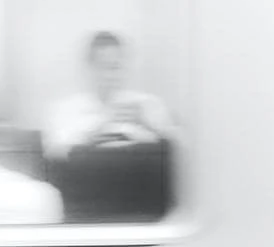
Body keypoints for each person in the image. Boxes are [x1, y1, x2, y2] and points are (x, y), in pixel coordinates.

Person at [45, 31, 177, 161]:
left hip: (139, 177)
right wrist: (99, 127)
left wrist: (147, 124)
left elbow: (180, 151)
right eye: (102, 67)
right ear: (89, 68)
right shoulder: (65, 110)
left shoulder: (146, 104)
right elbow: (54, 154)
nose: (109, 76)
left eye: (115, 67)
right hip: (85, 178)